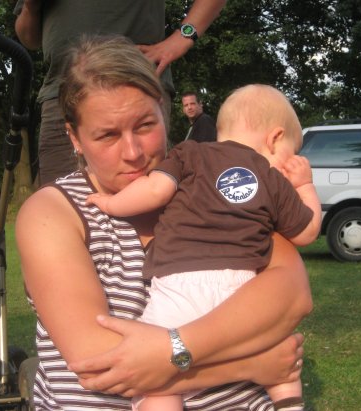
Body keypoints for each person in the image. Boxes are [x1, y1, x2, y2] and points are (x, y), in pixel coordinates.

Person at [16, 35, 312, 410]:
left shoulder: (213, 177)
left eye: (144, 126)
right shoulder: (54, 212)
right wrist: (251, 364)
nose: (133, 152)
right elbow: (97, 361)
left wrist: (176, 347)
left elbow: (293, 293)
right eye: (107, 135)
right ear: (74, 138)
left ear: (163, 109)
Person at [86, 84, 321, 411]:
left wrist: (111, 204)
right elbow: (307, 232)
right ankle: (288, 402)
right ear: (275, 138)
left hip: (178, 289)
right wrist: (305, 185)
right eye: (291, 152)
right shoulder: (272, 179)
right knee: (277, 352)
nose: (289, 163)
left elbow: (154, 191)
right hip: (241, 294)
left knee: (155, 385)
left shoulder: (191, 153)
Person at [14, 0, 226, 186]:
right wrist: (31, 7)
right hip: (59, 92)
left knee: (147, 204)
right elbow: (29, 38)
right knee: (61, 203)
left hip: (139, 88)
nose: (131, 153)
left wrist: (182, 37)